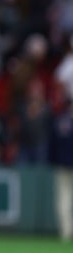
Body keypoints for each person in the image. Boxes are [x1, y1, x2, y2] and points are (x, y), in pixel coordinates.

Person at [49, 102, 73, 242]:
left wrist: (53, 160)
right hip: (63, 165)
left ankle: (65, 231)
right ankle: (66, 230)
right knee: (64, 199)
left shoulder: (59, 121)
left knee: (64, 198)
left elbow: (51, 145)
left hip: (61, 164)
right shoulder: (59, 121)